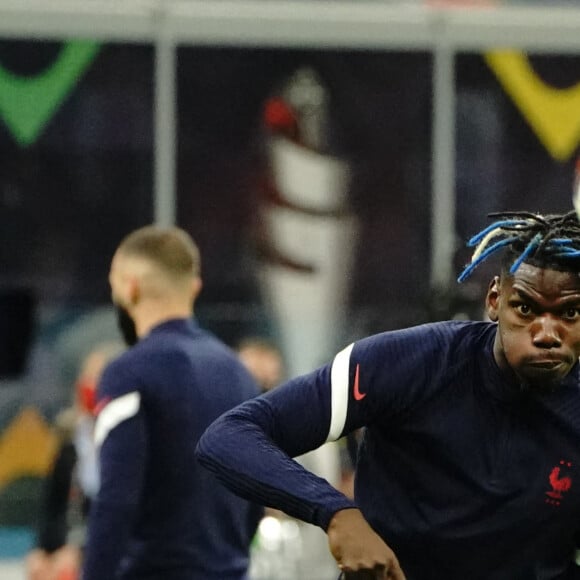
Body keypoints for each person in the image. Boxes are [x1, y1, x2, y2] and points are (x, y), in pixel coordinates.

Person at [197, 210, 580, 580]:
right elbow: (229, 437)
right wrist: (335, 513)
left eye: (570, 313)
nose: (546, 333)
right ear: (495, 300)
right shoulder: (412, 362)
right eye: (525, 308)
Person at [82, 226, 263, 580]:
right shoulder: (241, 375)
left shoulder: (127, 373)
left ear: (129, 287)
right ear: (194, 287)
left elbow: (117, 502)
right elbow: (255, 494)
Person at [26, 341, 123, 580]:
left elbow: (118, 515)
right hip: (67, 551)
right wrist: (41, 551)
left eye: (98, 378)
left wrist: (79, 552)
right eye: (87, 377)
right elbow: (51, 508)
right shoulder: (69, 440)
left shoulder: (126, 442)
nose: (90, 385)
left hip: (107, 555)